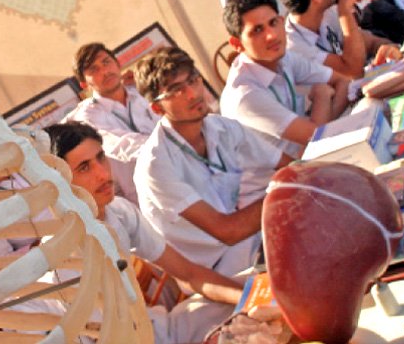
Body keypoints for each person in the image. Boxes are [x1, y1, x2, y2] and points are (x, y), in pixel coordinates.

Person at [45, 121, 241, 343]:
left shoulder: (119, 211)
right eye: (84, 167)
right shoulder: (61, 260)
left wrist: (250, 299)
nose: (102, 174)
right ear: (60, 183)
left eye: (100, 158)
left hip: (155, 328)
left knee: (248, 292)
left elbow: (189, 274)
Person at [133, 46, 293, 278]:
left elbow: (287, 164)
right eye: (177, 90)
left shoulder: (221, 127)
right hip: (215, 270)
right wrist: (289, 193)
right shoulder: (155, 164)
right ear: (157, 108)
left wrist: (301, 181)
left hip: (250, 242)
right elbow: (228, 231)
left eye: (193, 80)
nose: (193, 93)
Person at [220, 0, 350, 147]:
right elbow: (315, 137)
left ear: (282, 21)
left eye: (273, 23)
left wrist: (324, 118)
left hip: (311, 152)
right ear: (237, 44)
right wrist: (323, 98)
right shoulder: (245, 94)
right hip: (287, 169)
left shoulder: (284, 57)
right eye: (258, 30)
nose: (272, 35)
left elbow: (343, 80)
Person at [65, 42, 160, 205]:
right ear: (83, 84)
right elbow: (120, 145)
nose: (104, 71)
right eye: (93, 70)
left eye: (106, 62)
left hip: (183, 175)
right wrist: (173, 144)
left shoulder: (143, 92)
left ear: (118, 63)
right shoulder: (87, 117)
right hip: (144, 199)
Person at [274, 0, 401, 78]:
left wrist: (388, 48)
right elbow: (352, 71)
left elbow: (371, 43)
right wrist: (345, 9)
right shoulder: (294, 47)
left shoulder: (326, 13)